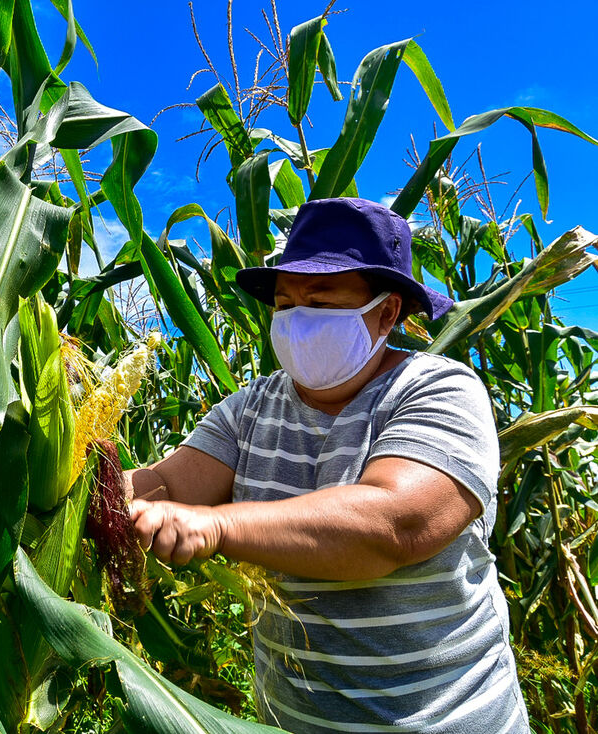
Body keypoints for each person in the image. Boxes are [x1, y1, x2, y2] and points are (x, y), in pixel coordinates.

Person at [127, 197, 528, 732]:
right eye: (285, 303)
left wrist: (219, 525)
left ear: (387, 312)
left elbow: (392, 524)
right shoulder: (252, 407)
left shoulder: (439, 390)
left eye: (318, 300)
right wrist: (91, 480)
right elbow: (165, 485)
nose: (295, 319)